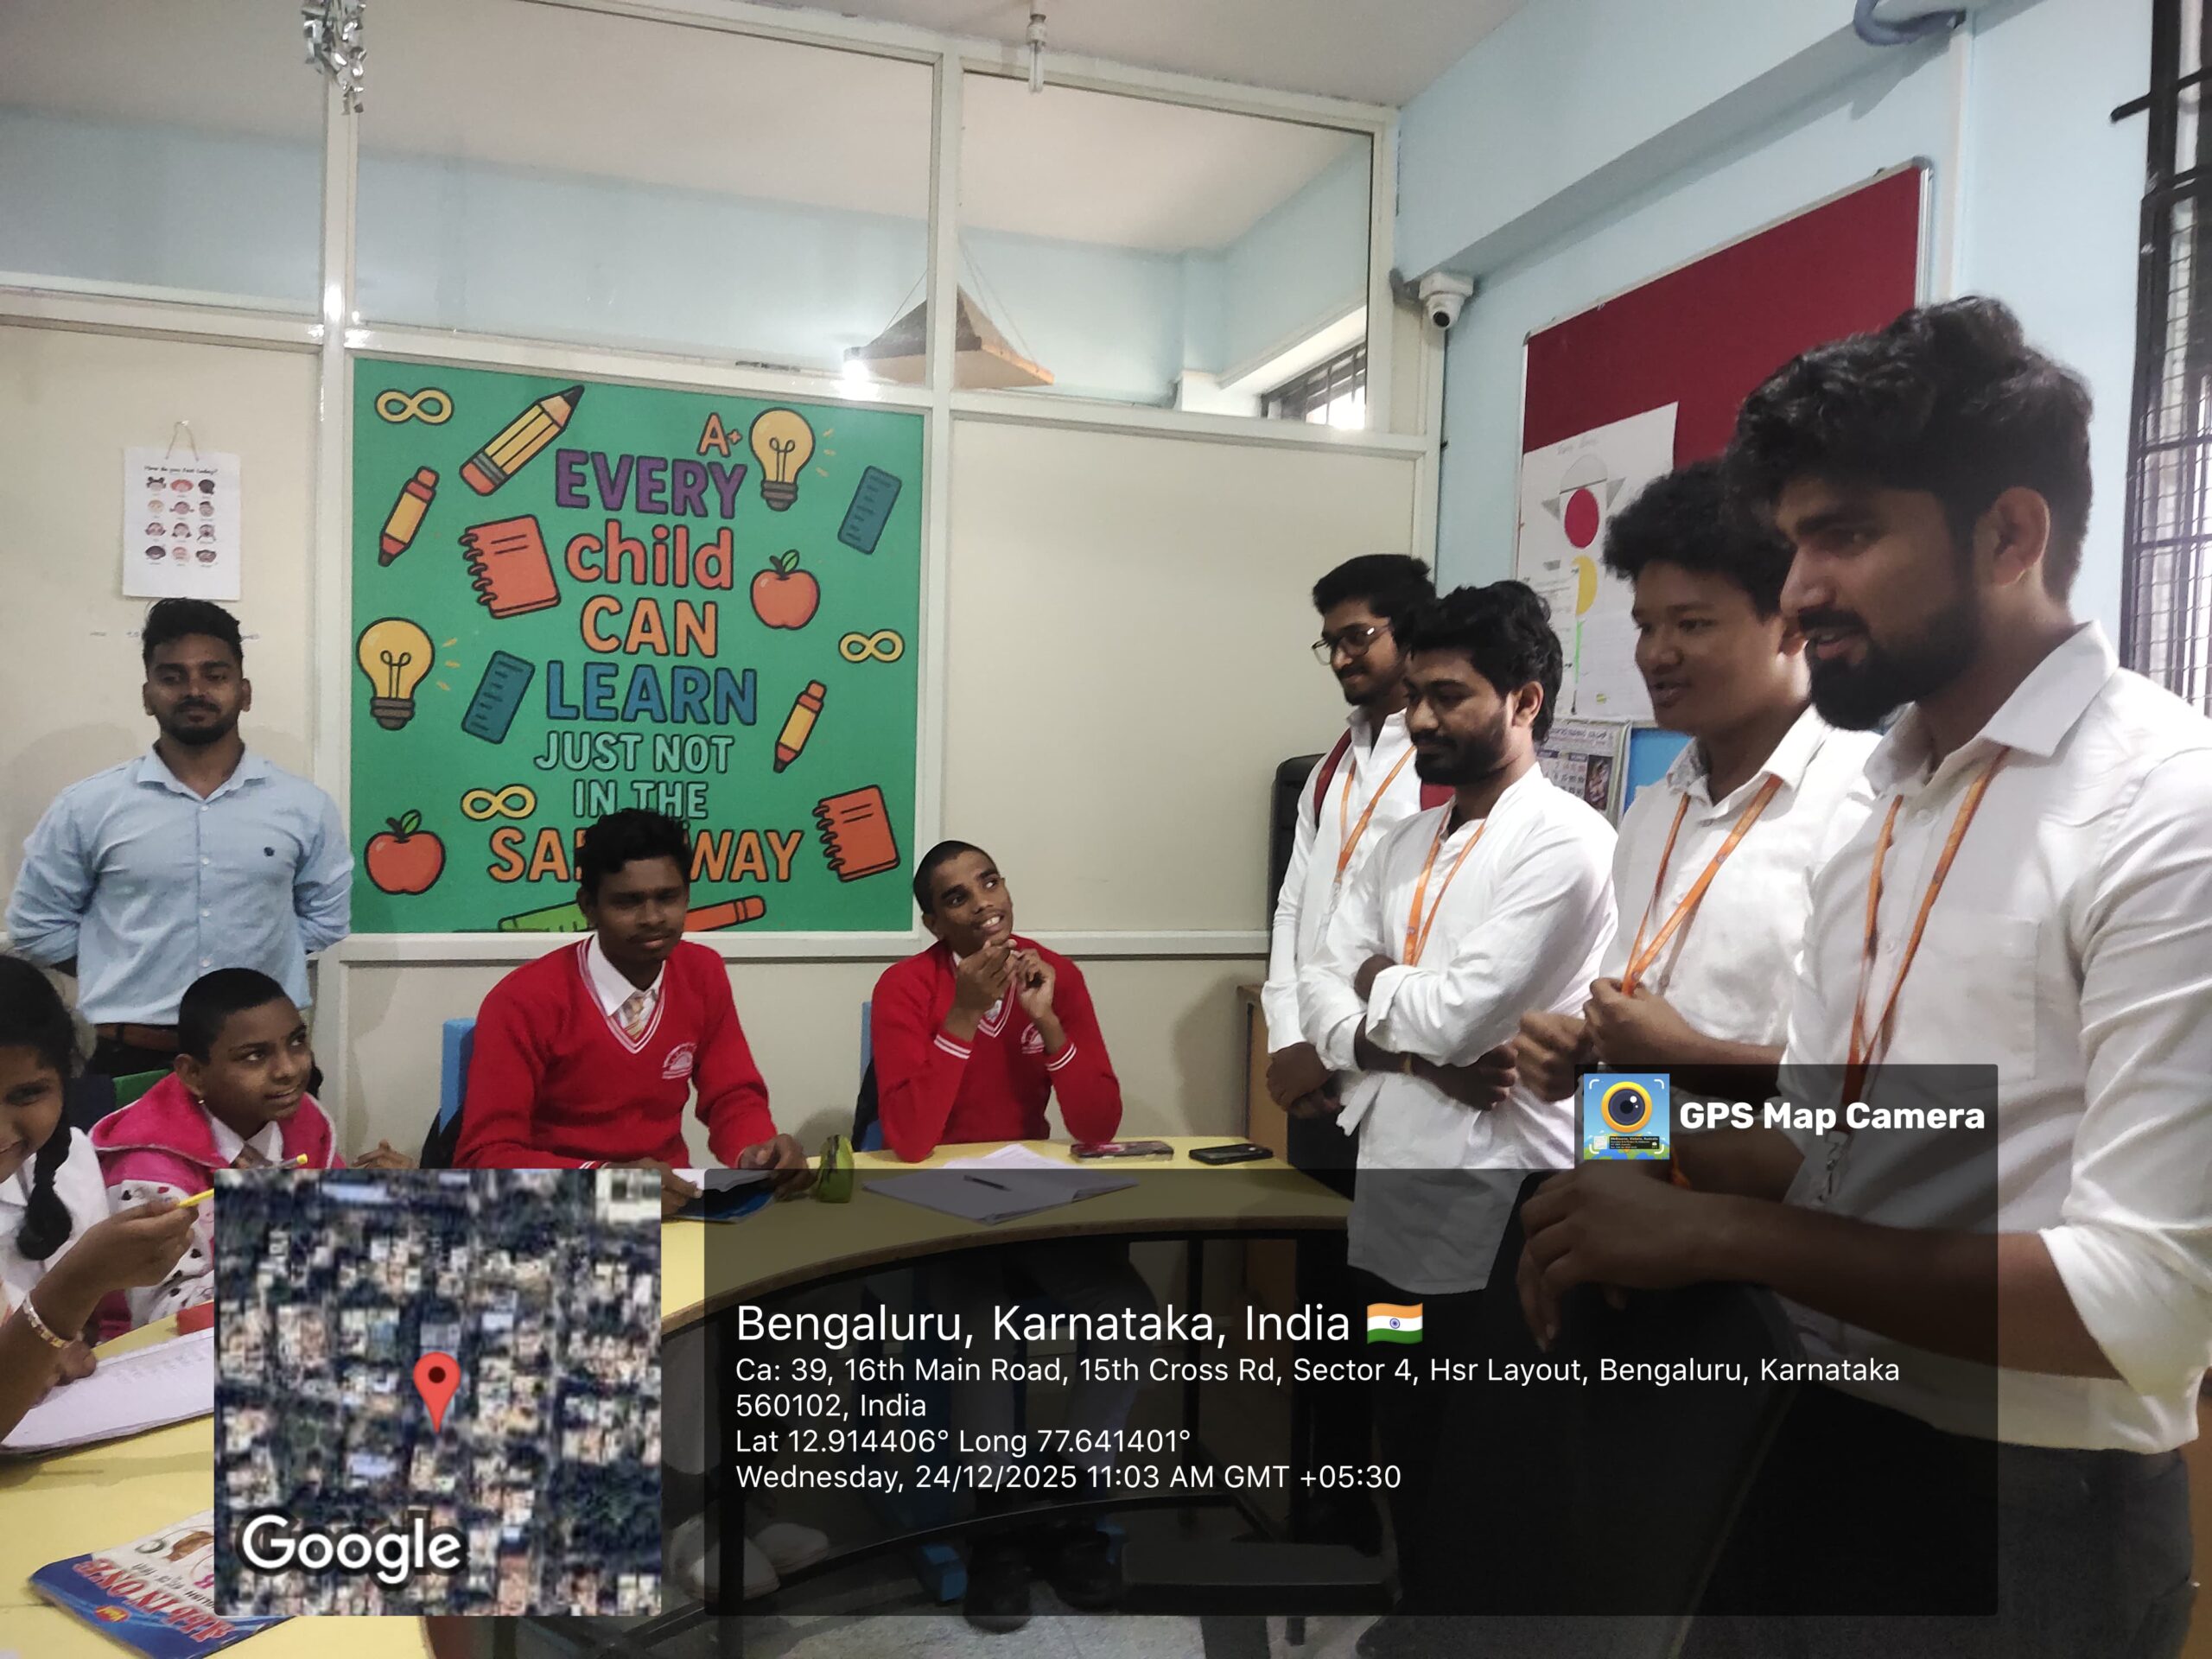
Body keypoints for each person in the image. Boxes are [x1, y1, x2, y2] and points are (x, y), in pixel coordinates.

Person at [1519, 299, 2209, 1656]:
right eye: (1792, 545)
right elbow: (1843, 1152)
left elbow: (2152, 1302)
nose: (1799, 591)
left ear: (2009, 536)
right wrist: (1646, 1162)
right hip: (1805, 1425)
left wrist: (1714, 1235)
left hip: (2025, 1499)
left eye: (1845, 536)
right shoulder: (1887, 800)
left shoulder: (2164, 809)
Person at [1297, 581, 1615, 1634]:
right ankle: (1417, 1616)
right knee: (1406, 1427)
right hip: (1391, 1193)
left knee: (1492, 1455)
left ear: (1524, 701)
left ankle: (1467, 1633)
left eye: (1448, 697)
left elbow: (1460, 1014)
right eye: (1414, 698)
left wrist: (1377, 990)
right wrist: (1404, 1038)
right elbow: (1323, 992)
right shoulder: (1403, 841)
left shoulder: (1564, 842)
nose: (1420, 719)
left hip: (1503, 1204)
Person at [1516, 459, 1878, 1102]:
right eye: (1646, 626)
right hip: (1642, 1161)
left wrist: (1689, 1060)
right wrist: (1590, 1065)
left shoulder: (1865, 806)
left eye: (1692, 624)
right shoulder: (1654, 811)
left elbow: (1887, 1083)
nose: (1656, 654)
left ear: (1792, 626)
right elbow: (1638, 1032)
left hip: (1776, 1170)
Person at [869, 842, 1155, 1630]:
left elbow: (1097, 1124)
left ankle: (1069, 1497)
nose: (982, 903)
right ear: (934, 923)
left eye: (989, 882)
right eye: (957, 897)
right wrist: (963, 1013)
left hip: (1030, 1203)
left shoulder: (1054, 973)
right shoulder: (906, 987)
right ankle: (996, 1522)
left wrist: (1049, 1023)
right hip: (939, 1212)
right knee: (981, 1322)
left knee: (1131, 1311)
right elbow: (912, 1140)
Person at [5, 599, 351, 1082]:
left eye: (215, 675)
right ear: (148, 696)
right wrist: (121, 964)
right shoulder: (87, 807)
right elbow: (36, 926)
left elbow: (326, 919)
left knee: (282, 1141)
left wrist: (259, 960)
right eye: (172, 677)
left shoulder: (303, 806)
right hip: (131, 1059)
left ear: (244, 691)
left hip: (266, 1058)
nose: (194, 691)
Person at [454, 810, 806, 1206]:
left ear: (687, 896)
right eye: (627, 902)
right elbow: (485, 1158)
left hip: (674, 1203)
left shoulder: (702, 973)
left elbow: (732, 1096)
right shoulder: (523, 1000)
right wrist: (609, 1185)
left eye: (668, 897)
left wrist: (758, 1151)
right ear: (588, 906)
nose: (652, 918)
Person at [91, 969, 397, 1331]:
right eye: (254, 1056)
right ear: (193, 1074)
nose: (288, 1069)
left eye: (297, 1042)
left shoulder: (302, 1120)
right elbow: (164, 1316)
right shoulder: (148, 1168)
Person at [1262, 555, 1443, 1124]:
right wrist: (1289, 1036)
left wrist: (1331, 1046)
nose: (1341, 658)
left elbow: (1435, 950)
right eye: (1331, 643)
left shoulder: (1441, 776)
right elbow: (1293, 908)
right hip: (1312, 1071)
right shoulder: (1329, 772)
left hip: (1397, 1072)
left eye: (1358, 637)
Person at [0, 957, 197, 1443]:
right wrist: (74, 1288)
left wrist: (54, 1343)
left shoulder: (68, 1161)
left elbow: (78, 1338)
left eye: (27, 1094)